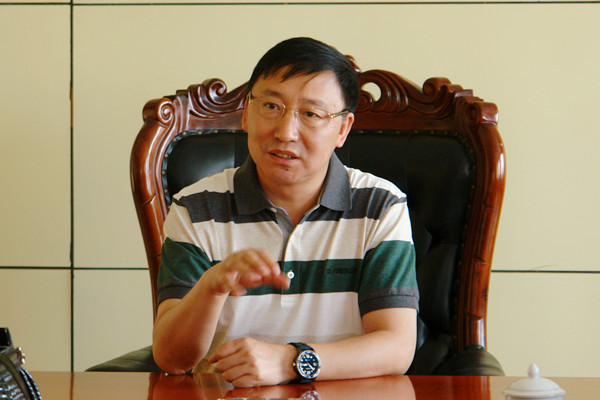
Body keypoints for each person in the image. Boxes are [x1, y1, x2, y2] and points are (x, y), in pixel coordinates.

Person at [152, 37, 419, 388]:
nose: (285, 132)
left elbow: (396, 347)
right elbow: (171, 359)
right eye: (271, 106)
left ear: (342, 128)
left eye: (310, 114)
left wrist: (291, 361)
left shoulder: (380, 205)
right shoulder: (196, 208)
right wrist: (211, 287)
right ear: (246, 113)